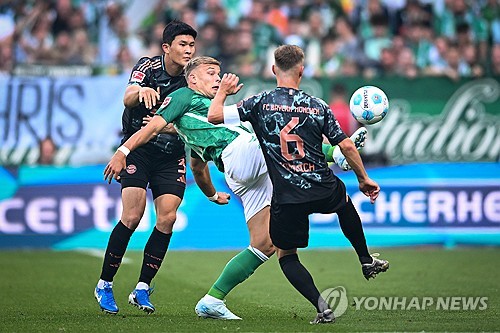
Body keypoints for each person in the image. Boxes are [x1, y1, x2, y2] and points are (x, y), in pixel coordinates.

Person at [103, 56, 368, 320]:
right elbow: (151, 129)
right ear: (193, 78)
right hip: (241, 155)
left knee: (265, 244)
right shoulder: (184, 95)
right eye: (211, 73)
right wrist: (123, 151)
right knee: (272, 131)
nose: (217, 78)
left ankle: (213, 300)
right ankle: (336, 153)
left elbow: (197, 167)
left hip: (241, 175)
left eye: (219, 73)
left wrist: (212, 194)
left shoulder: (200, 116)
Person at [207, 45, 389, 324]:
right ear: (302, 71)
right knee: (344, 203)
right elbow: (348, 146)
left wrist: (222, 92)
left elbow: (214, 117)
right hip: (321, 185)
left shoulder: (260, 102)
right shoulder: (318, 106)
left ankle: (322, 307)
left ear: (273, 70)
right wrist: (363, 178)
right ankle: (365, 258)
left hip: (287, 195)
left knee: (286, 256)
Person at [94, 20, 197, 315]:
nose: (188, 50)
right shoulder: (148, 67)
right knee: (132, 215)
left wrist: (165, 126)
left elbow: (190, 126)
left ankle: (142, 287)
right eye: (183, 44)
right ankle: (104, 284)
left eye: (191, 45)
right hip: (138, 152)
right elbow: (127, 97)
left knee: (167, 219)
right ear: (167, 47)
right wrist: (141, 92)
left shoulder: (192, 80)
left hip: (171, 157)